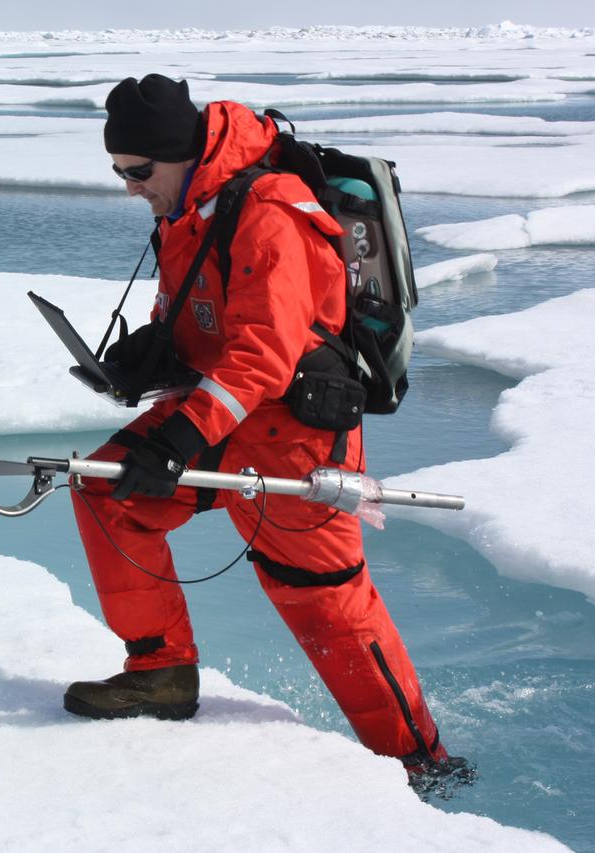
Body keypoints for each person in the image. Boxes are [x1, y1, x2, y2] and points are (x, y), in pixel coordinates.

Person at [64, 73, 464, 781]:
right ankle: (161, 672)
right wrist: (146, 355)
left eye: (138, 171)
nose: (129, 187)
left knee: (323, 601)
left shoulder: (269, 210)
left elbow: (266, 353)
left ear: (178, 153)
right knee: (107, 492)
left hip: (295, 437)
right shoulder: (187, 209)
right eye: (119, 172)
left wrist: (179, 438)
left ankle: (420, 762)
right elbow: (199, 317)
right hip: (223, 416)